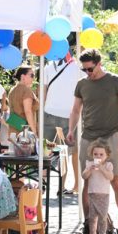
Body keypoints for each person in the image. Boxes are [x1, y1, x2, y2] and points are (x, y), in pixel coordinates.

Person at [67, 49, 118, 211]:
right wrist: (70, 130)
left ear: (99, 64)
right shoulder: (82, 84)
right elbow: (76, 110)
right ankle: (89, 225)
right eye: (84, 69)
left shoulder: (115, 81)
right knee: (88, 182)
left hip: (111, 136)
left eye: (91, 69)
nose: (88, 73)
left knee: (116, 181)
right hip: (88, 136)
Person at [43, 55, 87, 197]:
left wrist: (41, 112)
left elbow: (43, 91)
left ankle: (43, 183)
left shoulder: (48, 66)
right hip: (70, 115)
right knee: (70, 152)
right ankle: (68, 186)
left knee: (46, 152)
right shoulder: (78, 67)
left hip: (49, 112)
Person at [81, 140, 114, 234]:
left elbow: (110, 177)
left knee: (103, 216)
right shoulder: (89, 164)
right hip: (92, 193)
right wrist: (89, 170)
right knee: (92, 216)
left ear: (106, 155)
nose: (98, 156)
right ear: (92, 154)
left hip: (104, 194)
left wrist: (102, 168)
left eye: (101, 154)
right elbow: (84, 176)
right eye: (95, 154)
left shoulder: (108, 165)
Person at [6, 66, 39, 136]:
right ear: (22, 76)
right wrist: (34, 132)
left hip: (13, 129)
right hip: (25, 132)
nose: (33, 78)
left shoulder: (12, 90)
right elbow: (28, 112)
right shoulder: (26, 91)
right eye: (32, 75)